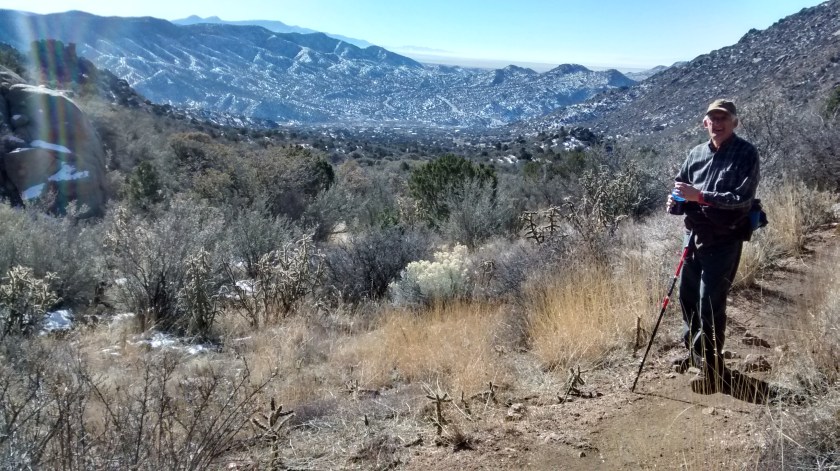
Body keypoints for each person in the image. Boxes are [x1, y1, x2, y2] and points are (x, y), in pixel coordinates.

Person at [667, 99, 760, 394]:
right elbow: (681, 187)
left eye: (723, 118)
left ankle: (712, 367)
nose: (717, 124)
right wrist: (676, 201)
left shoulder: (746, 153)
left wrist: (701, 197)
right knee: (687, 299)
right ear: (704, 123)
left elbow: (742, 199)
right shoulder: (695, 154)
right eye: (712, 119)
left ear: (735, 122)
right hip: (693, 238)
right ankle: (695, 354)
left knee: (710, 303)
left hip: (724, 239)